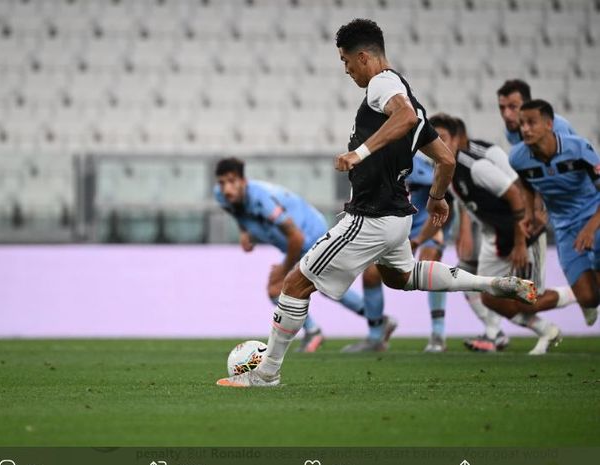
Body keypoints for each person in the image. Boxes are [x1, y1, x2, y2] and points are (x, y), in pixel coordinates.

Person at [216, 19, 536, 388]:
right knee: (401, 277)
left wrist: (360, 153)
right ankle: (489, 284)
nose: (346, 69)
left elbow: (405, 116)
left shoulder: (382, 86)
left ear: (364, 57)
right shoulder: (411, 98)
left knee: (294, 284)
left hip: (369, 216)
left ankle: (266, 374)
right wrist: (436, 198)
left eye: (346, 61)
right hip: (398, 218)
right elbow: (445, 159)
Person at [417, 113, 577, 354]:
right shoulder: (444, 171)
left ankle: (581, 293)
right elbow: (443, 212)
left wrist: (521, 243)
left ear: (456, 140)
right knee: (487, 292)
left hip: (522, 233)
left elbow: (515, 194)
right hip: (496, 236)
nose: (438, 144)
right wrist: (417, 240)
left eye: (443, 138)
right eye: (433, 139)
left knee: (528, 298)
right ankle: (536, 331)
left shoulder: (476, 165)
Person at [214, 157, 367, 352]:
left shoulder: (262, 200)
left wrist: (283, 269)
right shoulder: (221, 195)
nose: (226, 188)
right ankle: (377, 321)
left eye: (232, 181)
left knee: (279, 287)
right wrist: (244, 231)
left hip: (311, 233)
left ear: (243, 181)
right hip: (294, 240)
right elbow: (236, 211)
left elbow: (297, 237)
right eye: (222, 182)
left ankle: (315, 331)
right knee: (323, 287)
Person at [350, 154, 454, 353]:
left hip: (426, 225)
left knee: (429, 262)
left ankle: (438, 334)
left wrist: (428, 234)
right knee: (370, 274)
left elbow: (443, 194)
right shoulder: (374, 163)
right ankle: (376, 336)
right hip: (395, 228)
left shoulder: (414, 162)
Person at [509, 99, 600, 328]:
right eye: (522, 124)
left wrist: (590, 228)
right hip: (564, 227)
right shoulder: (517, 157)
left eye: (532, 123)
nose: (525, 129)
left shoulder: (579, 148)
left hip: (594, 217)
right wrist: (530, 214)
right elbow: (526, 183)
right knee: (589, 298)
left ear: (549, 124)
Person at [497, 79, 575, 146]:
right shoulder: (511, 132)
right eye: (502, 107)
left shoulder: (557, 127)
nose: (506, 115)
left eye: (513, 107)